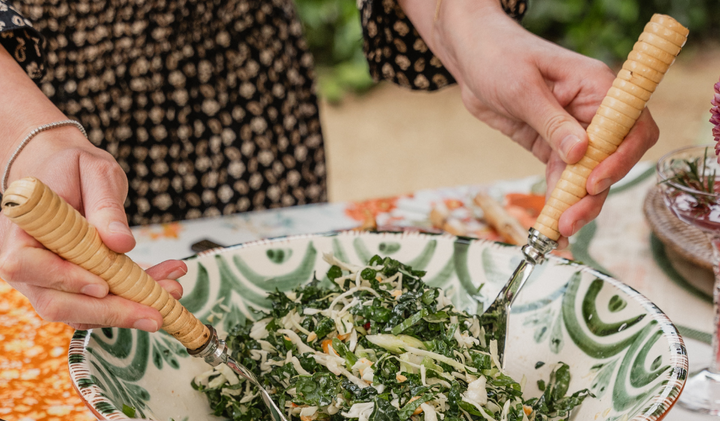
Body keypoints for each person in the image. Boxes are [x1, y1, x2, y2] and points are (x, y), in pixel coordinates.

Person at [0, 0, 658, 332]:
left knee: (271, 309)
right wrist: (24, 132)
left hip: (232, 80)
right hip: (22, 94)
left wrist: (468, 23)